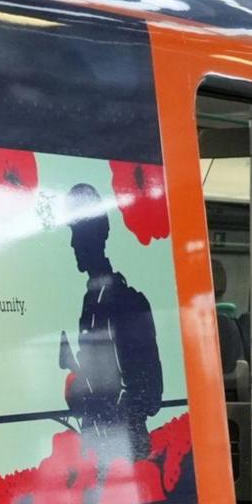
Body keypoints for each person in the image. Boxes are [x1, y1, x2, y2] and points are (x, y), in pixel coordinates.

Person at [58, 183, 165, 463]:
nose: (72, 244)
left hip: (126, 448)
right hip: (101, 446)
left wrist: (105, 404)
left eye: (77, 233)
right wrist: (78, 373)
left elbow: (149, 392)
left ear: (98, 234)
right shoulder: (90, 303)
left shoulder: (127, 302)